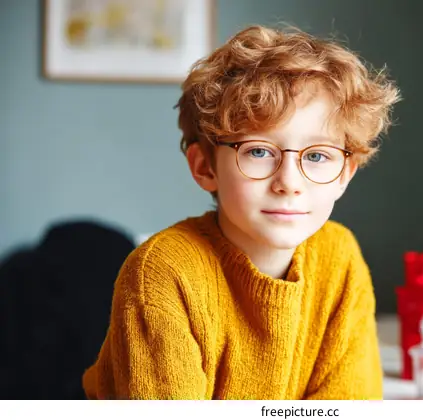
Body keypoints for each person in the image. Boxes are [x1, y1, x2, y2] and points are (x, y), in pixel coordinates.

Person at [82, 24, 400, 400]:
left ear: (344, 174)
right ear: (206, 168)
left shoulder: (340, 256)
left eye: (317, 156)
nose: (289, 182)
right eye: (259, 151)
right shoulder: (161, 273)